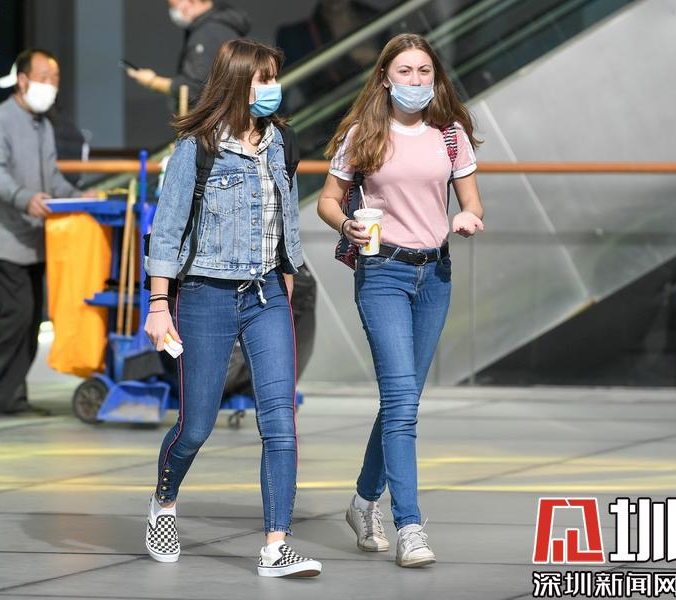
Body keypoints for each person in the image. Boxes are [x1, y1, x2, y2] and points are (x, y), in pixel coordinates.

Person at [143, 38, 321, 578]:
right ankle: (164, 502)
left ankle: (276, 546)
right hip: (206, 294)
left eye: (275, 77)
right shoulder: (196, 148)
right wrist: (158, 305)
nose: (273, 88)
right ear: (238, 82)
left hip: (267, 295)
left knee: (280, 421)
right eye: (264, 79)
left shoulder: (282, 142)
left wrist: (288, 278)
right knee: (196, 425)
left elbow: (285, 218)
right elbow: (167, 231)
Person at [316, 33, 485, 568]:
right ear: (386, 79)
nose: (416, 80)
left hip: (435, 275)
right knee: (402, 403)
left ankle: (363, 501)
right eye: (406, 71)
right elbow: (327, 199)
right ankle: (409, 525)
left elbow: (472, 201)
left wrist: (467, 217)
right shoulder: (363, 133)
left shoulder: (451, 135)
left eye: (424, 71)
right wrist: (346, 223)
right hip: (382, 272)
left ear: (435, 77)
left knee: (402, 400)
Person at [0, 48, 95, 416]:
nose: (51, 85)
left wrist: (80, 198)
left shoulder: (44, 126)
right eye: (44, 78)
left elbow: (51, 179)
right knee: (16, 313)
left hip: (36, 240)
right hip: (2, 239)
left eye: (56, 79)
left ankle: (10, 397)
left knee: (30, 320)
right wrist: (24, 198)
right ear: (22, 80)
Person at [126, 0, 250, 109]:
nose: (173, 12)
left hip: (211, 120)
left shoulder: (208, 33)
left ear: (192, 1)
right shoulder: (219, 26)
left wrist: (152, 81)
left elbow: (195, 87)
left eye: (174, 5)